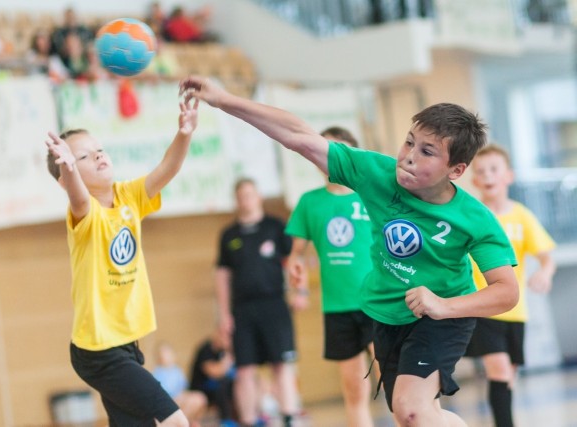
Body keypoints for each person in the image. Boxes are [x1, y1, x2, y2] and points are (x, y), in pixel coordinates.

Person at [178, 76, 519, 427]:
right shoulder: (376, 173)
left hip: (442, 317)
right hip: (386, 314)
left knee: (411, 409)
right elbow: (299, 135)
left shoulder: (475, 219)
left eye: (427, 152)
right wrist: (224, 100)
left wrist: (444, 306)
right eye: (409, 143)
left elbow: (506, 292)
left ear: (457, 170)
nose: (408, 158)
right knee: (412, 415)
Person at [44, 94, 199, 426]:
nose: (98, 154)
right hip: (98, 349)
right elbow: (76, 194)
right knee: (175, 421)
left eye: (99, 148)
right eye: (83, 155)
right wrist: (69, 168)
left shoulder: (129, 196)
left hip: (126, 344)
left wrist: (184, 134)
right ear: (66, 175)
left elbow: (167, 168)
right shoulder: (85, 215)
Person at [285, 126, 376, 427]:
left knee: (394, 384)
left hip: (378, 304)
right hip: (337, 307)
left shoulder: (372, 197)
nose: (328, 159)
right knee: (354, 389)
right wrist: (296, 266)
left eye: (337, 152)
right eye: (323, 152)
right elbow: (296, 253)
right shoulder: (310, 202)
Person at [464, 144, 556, 427]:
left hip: (515, 311)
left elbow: (546, 256)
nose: (488, 175)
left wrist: (545, 273)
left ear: (508, 176)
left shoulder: (521, 216)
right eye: (481, 171)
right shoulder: (471, 216)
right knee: (500, 370)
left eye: (494, 169)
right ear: (475, 180)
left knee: (508, 377)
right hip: (482, 308)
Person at [215, 178, 300, 427]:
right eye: (241, 195)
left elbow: (294, 260)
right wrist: (224, 314)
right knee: (244, 370)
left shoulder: (275, 226)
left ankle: (289, 417)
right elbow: (222, 276)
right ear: (236, 200)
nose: (246, 199)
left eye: (250, 194)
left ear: (258, 196)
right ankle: (249, 421)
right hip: (242, 310)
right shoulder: (228, 235)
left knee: (281, 364)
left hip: (274, 304)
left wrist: (300, 290)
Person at [153, 341, 208, 427]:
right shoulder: (158, 372)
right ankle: (181, 423)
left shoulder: (177, 370)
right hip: (169, 400)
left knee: (200, 398)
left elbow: (184, 387)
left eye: (167, 353)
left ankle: (191, 421)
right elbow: (161, 393)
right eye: (162, 353)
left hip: (181, 397)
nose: (164, 356)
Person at [189, 329, 237, 426]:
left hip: (217, 390)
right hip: (202, 390)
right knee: (223, 383)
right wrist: (229, 358)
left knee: (236, 384)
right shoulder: (205, 349)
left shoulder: (222, 352)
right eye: (226, 336)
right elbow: (215, 372)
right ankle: (226, 421)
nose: (228, 340)